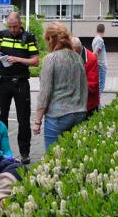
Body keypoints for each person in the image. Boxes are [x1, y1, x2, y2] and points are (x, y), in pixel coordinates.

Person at [0, 12, 39, 164]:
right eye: (10, 26)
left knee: (23, 119)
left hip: (21, 82)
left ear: (20, 24)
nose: (13, 29)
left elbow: (35, 61)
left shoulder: (28, 38)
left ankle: (24, 153)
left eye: (15, 26)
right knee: (0, 119)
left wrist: (17, 59)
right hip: (3, 82)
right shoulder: (2, 34)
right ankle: (0, 152)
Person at [33, 22, 88, 151]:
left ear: (51, 39)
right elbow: (84, 87)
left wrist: (37, 121)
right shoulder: (78, 58)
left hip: (57, 116)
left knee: (53, 156)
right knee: (72, 154)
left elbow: (45, 92)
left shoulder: (50, 59)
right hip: (79, 113)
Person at [72, 37, 99, 117]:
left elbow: (92, 86)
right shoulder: (69, 55)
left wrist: (72, 85)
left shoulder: (91, 59)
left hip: (88, 106)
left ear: (78, 50)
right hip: (73, 106)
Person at [92, 24, 108, 103]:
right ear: (104, 31)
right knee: (100, 86)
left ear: (97, 30)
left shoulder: (94, 39)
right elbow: (95, 53)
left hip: (99, 65)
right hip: (101, 66)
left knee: (98, 86)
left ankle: (96, 105)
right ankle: (96, 106)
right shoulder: (100, 40)